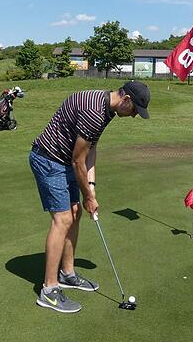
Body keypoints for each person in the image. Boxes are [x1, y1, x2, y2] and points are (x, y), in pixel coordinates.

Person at [29, 81, 150, 313]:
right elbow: (78, 160)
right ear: (125, 100)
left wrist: (91, 187)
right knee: (63, 219)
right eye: (135, 110)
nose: (134, 115)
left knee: (75, 213)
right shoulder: (94, 113)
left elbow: (91, 149)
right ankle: (49, 290)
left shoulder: (107, 108)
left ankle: (67, 274)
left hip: (64, 161)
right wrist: (88, 197)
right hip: (48, 159)